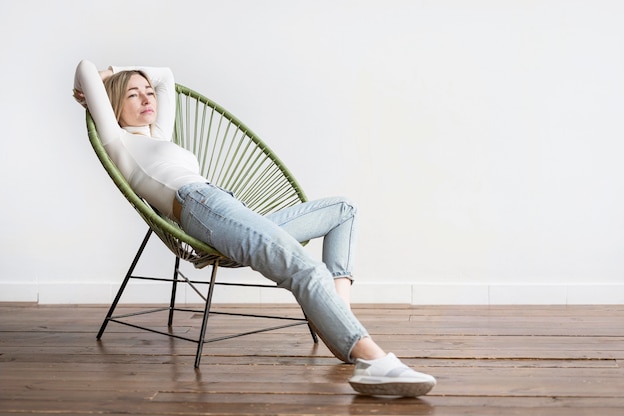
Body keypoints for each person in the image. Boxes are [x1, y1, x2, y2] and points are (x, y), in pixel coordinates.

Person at [73, 59, 436, 397]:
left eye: (148, 92)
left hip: (224, 205)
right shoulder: (118, 141)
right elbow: (84, 68)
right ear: (112, 105)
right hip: (200, 207)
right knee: (302, 267)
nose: (146, 98)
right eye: (132, 95)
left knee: (343, 210)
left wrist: (128, 78)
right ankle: (372, 361)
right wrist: (106, 79)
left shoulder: (160, 136)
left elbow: (165, 76)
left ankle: (341, 320)